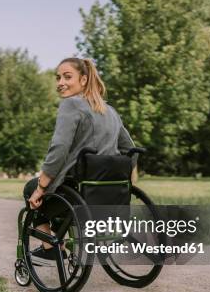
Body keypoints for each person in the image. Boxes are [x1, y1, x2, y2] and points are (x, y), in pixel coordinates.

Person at [23, 57, 138, 260]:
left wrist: (41, 187)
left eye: (67, 77)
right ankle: (64, 238)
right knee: (54, 193)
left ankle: (51, 249)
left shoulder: (71, 105)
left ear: (84, 80)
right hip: (107, 193)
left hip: (78, 192)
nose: (60, 83)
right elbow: (130, 149)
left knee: (30, 189)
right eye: (58, 78)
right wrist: (125, 178)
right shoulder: (109, 111)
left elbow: (59, 149)